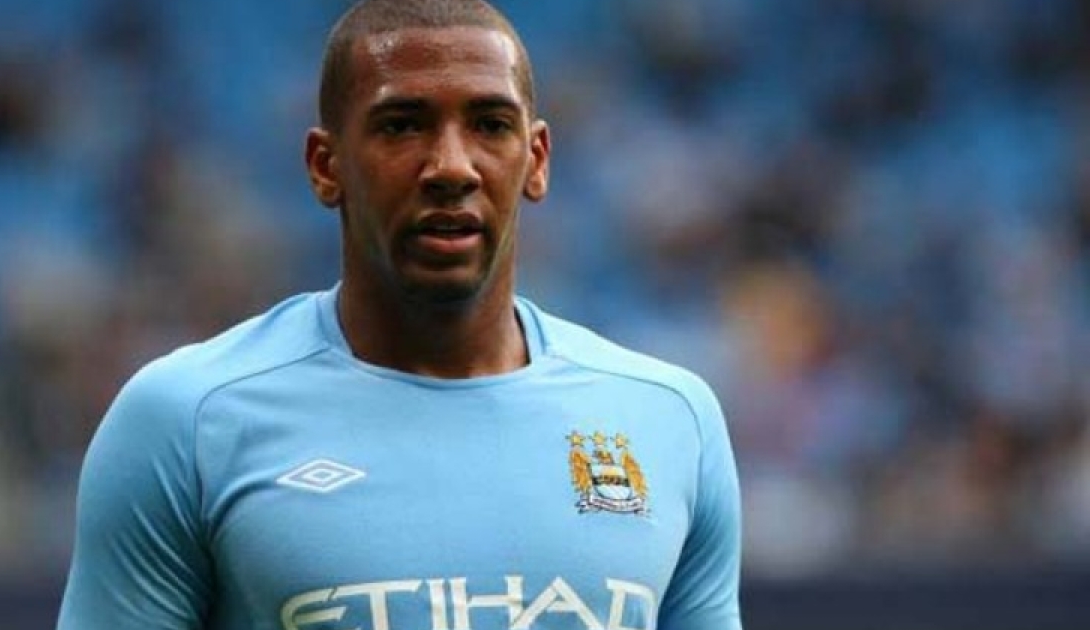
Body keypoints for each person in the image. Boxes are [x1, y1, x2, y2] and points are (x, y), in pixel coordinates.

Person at [56, 1, 743, 629]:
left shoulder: (668, 418)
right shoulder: (186, 421)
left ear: (536, 160)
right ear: (325, 166)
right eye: (403, 125)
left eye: (490, 125)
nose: (451, 166)